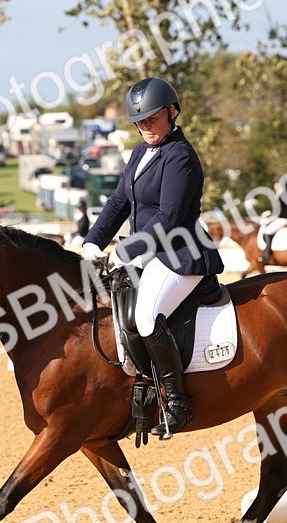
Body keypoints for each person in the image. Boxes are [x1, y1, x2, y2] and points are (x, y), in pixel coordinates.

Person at [81, 77, 224, 439]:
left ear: (172, 113)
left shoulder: (181, 157)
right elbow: (119, 203)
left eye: (153, 118)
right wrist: (93, 241)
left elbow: (169, 218)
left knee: (147, 317)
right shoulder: (140, 153)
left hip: (181, 253)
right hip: (149, 252)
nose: (145, 126)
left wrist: (126, 249)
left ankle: (178, 404)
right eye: (140, 121)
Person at [255, 180, 287, 264]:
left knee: (267, 231)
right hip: (279, 217)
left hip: (283, 218)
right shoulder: (278, 194)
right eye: (275, 184)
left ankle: (267, 254)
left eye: (278, 184)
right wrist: (269, 213)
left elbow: (284, 209)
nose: (276, 186)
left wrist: (272, 216)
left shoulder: (284, 194)